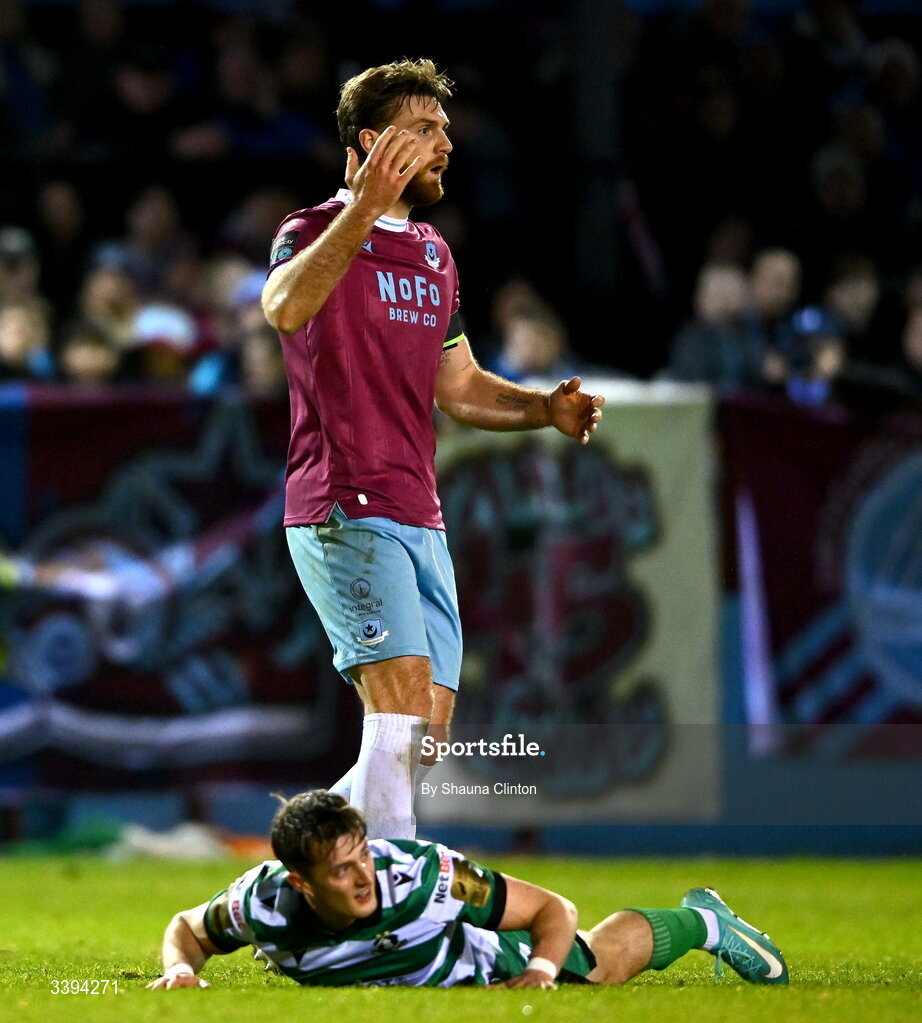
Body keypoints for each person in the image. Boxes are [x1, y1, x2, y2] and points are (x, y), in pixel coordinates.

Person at [260, 59, 604, 841]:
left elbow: (460, 386)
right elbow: (282, 309)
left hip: (421, 511)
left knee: (423, 738)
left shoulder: (433, 255)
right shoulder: (309, 231)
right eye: (425, 128)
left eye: (446, 128)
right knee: (401, 711)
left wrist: (542, 407)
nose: (447, 141)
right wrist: (365, 210)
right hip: (344, 506)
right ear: (375, 143)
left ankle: (275, 884)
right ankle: (395, 919)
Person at [147, 790, 789, 991]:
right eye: (340, 871)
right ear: (300, 882)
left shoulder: (427, 875)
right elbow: (188, 928)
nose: (363, 876)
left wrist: (540, 970)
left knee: (591, 963)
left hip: (476, 962)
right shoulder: (262, 904)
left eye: (362, 855)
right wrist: (179, 972)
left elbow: (551, 910)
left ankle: (703, 921)